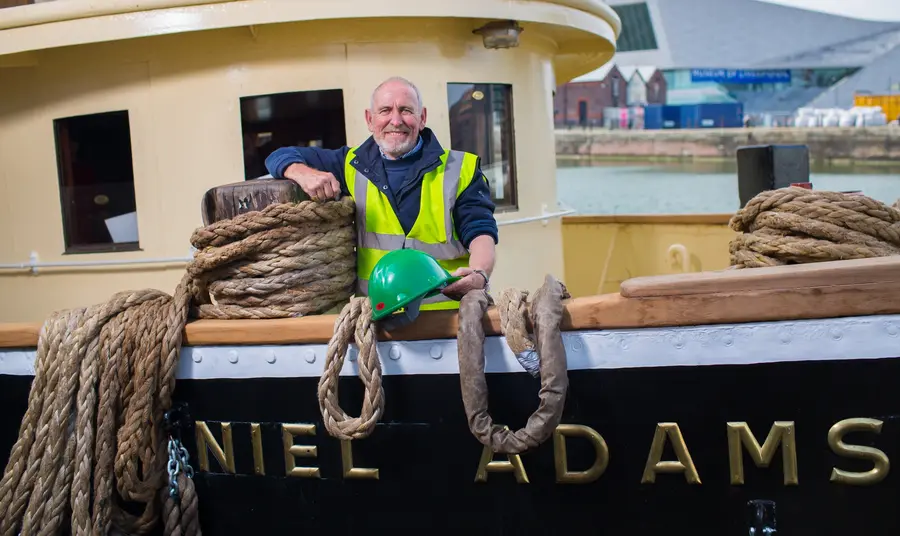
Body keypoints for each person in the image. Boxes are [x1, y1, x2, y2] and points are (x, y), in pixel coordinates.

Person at [264, 76, 498, 310]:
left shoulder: (460, 168)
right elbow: (279, 156)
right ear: (370, 119)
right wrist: (303, 173)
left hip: (448, 320)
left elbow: (480, 232)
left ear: (422, 117)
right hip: (379, 321)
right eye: (385, 110)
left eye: (406, 110)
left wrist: (479, 274)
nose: (395, 121)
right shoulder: (350, 164)